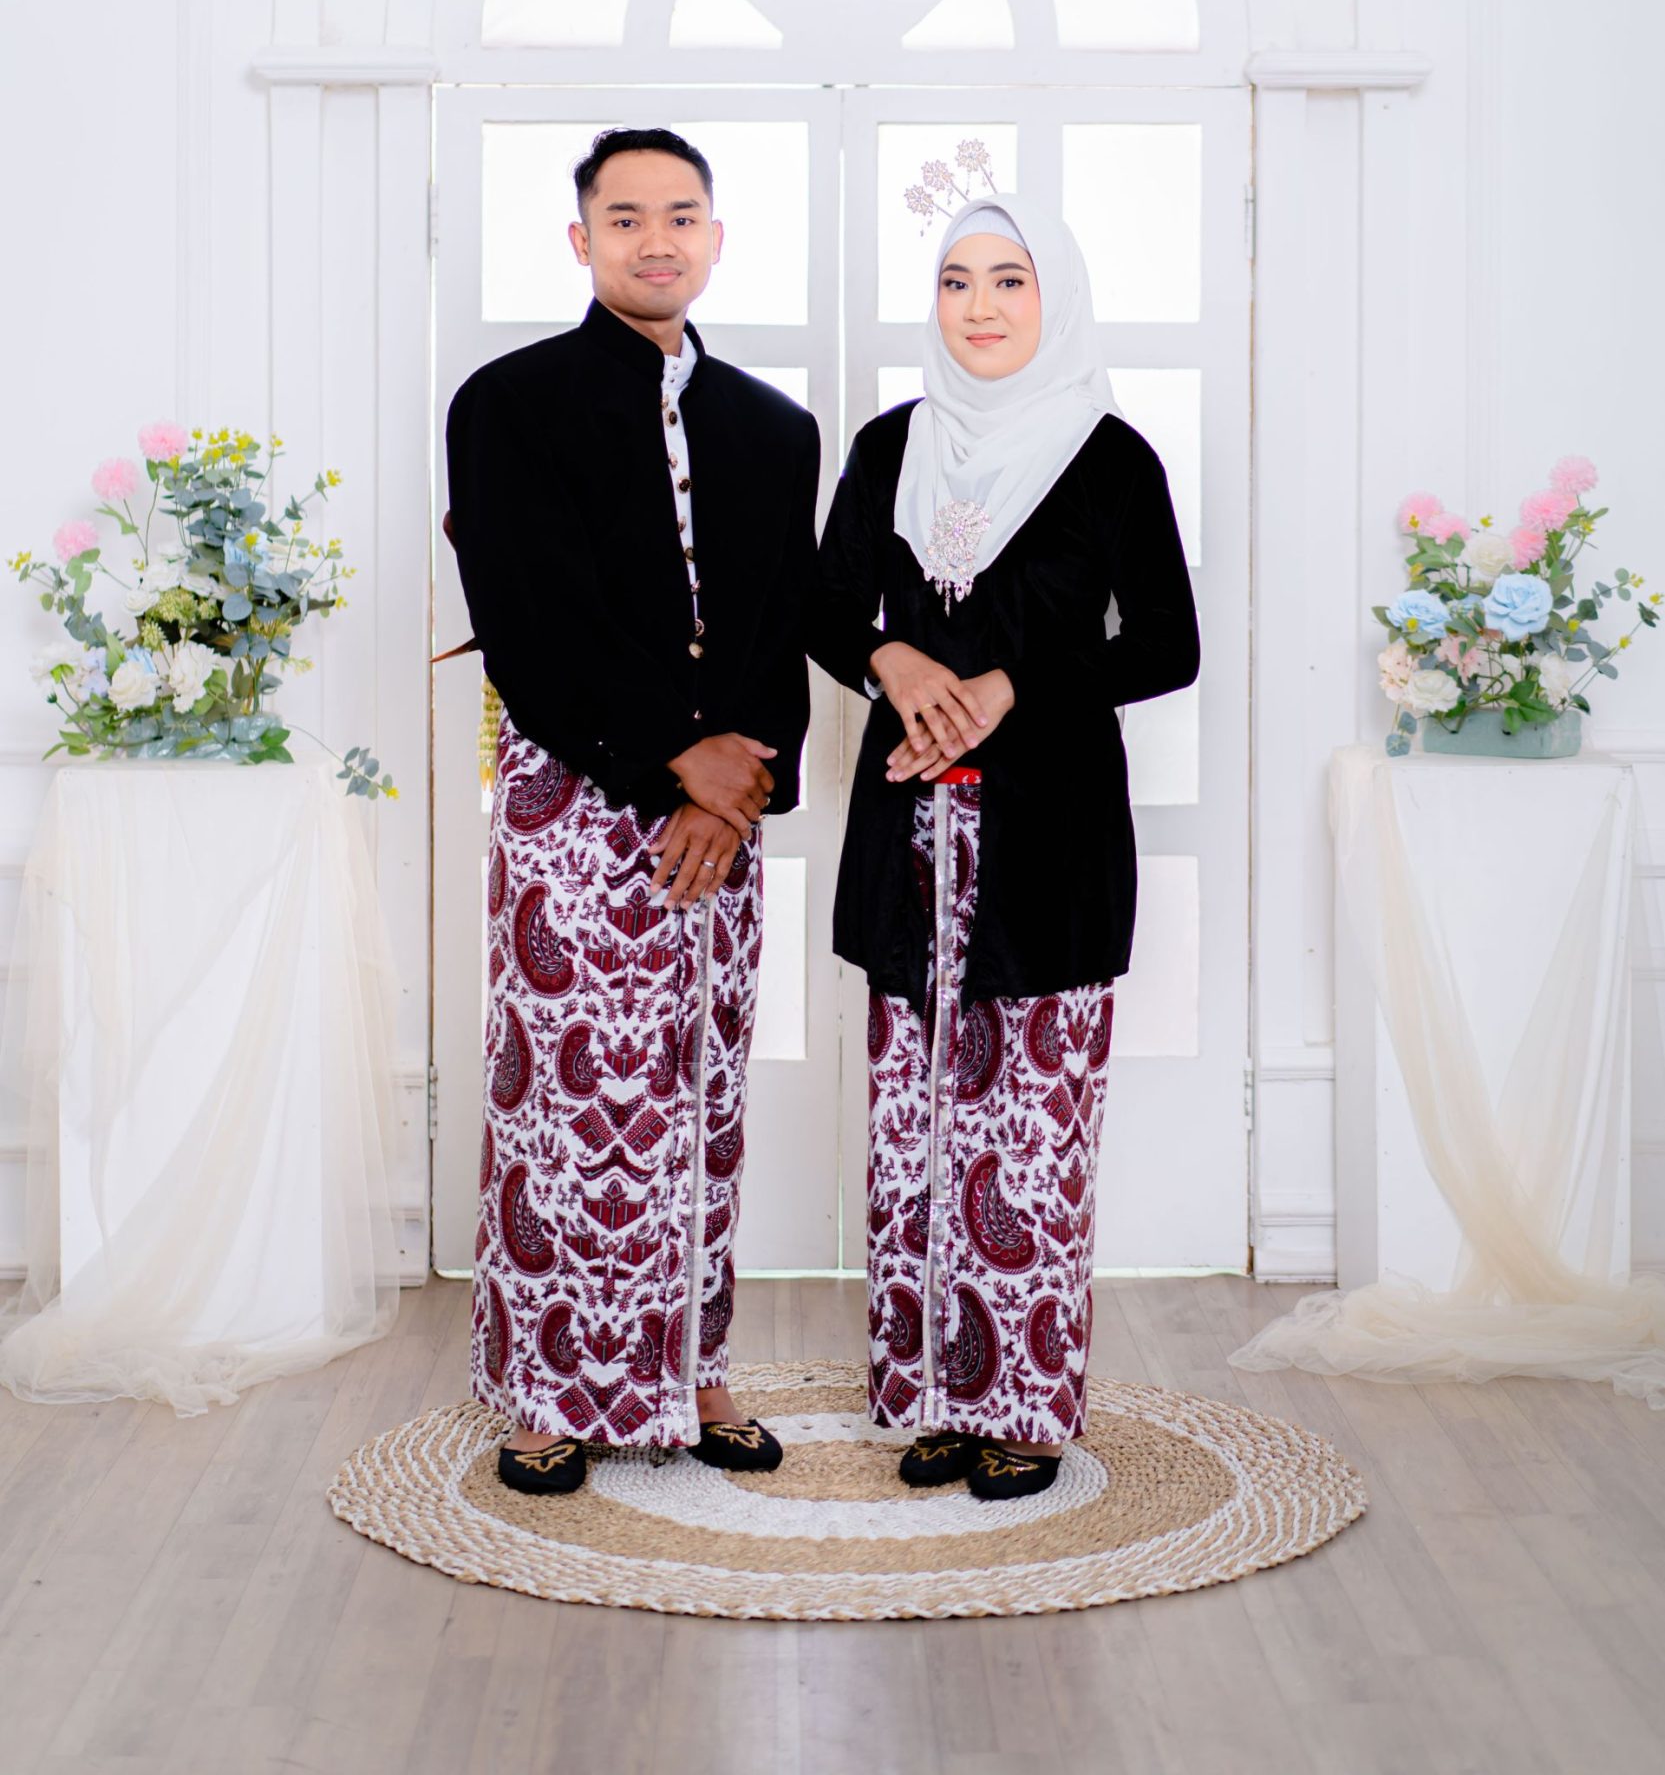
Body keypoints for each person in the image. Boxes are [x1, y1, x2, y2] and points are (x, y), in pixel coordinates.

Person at [445, 126, 820, 1494]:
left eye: (680, 214)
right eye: (624, 217)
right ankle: (546, 1391)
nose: (654, 238)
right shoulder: (510, 403)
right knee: (564, 1097)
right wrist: (675, 759)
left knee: (698, 1093)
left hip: (726, 812)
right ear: (581, 239)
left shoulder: (774, 428)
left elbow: (780, 628)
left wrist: (743, 776)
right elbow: (529, 617)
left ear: (714, 236)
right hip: (574, 794)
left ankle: (692, 1370)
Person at [809, 187, 1199, 1502]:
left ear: (1056, 296)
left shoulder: (1110, 458)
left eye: (1009, 280)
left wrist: (1014, 685)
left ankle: (1021, 1408)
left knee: (1027, 1131)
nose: (979, 307)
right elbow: (824, 607)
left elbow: (1167, 645)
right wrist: (893, 657)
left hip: (1048, 835)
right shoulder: (891, 447)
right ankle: (935, 1394)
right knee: (917, 1130)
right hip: (908, 834)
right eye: (956, 281)